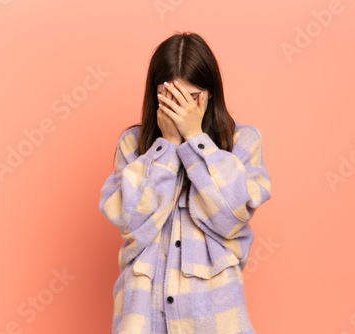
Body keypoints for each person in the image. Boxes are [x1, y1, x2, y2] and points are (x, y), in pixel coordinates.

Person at [99, 31, 272, 334]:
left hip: (215, 316)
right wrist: (166, 145)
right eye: (171, 98)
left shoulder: (242, 142)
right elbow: (131, 220)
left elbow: (230, 217)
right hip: (142, 316)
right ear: (155, 95)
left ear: (210, 93)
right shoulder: (134, 146)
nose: (181, 110)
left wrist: (195, 140)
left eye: (191, 99)